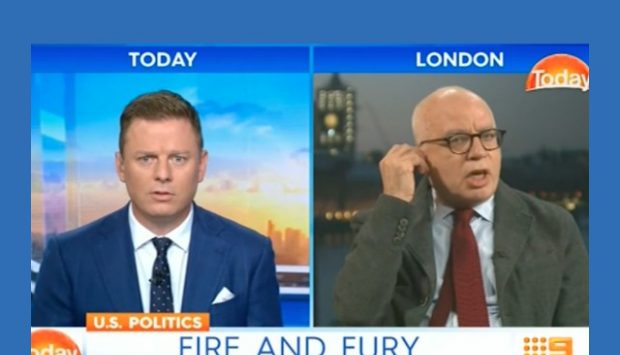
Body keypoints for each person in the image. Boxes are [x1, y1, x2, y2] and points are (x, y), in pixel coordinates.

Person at [333, 86, 588, 327]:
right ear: (421, 155)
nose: (479, 152)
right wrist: (396, 200)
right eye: (458, 140)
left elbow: (580, 335)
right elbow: (355, 315)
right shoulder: (387, 225)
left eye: (488, 136)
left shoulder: (553, 225)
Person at [32, 90, 282, 327]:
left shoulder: (250, 254)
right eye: (146, 159)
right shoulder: (69, 257)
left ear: (201, 166)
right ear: (121, 166)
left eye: (178, 159)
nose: (163, 174)